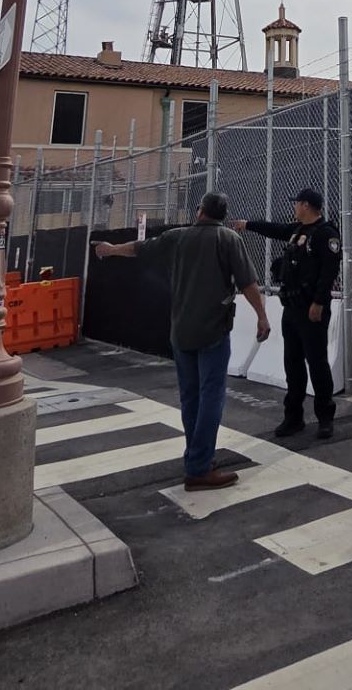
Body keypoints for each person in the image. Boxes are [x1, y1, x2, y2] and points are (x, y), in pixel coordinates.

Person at [98, 192, 270, 490]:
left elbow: (138, 249)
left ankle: (196, 458)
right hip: (213, 329)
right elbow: (247, 283)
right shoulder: (228, 240)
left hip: (180, 329)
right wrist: (262, 316)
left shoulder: (176, 237)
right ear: (222, 215)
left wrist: (111, 249)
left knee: (190, 397)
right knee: (212, 396)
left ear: (201, 210)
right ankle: (199, 466)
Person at [233, 188, 340, 440]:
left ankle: (325, 418)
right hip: (291, 309)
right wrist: (248, 225)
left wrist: (319, 303)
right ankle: (293, 418)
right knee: (292, 364)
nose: (294, 208)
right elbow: (274, 229)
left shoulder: (326, 235)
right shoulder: (297, 231)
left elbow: (328, 273)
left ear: (305, 205)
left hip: (311, 310)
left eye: (297, 204)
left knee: (317, 364)